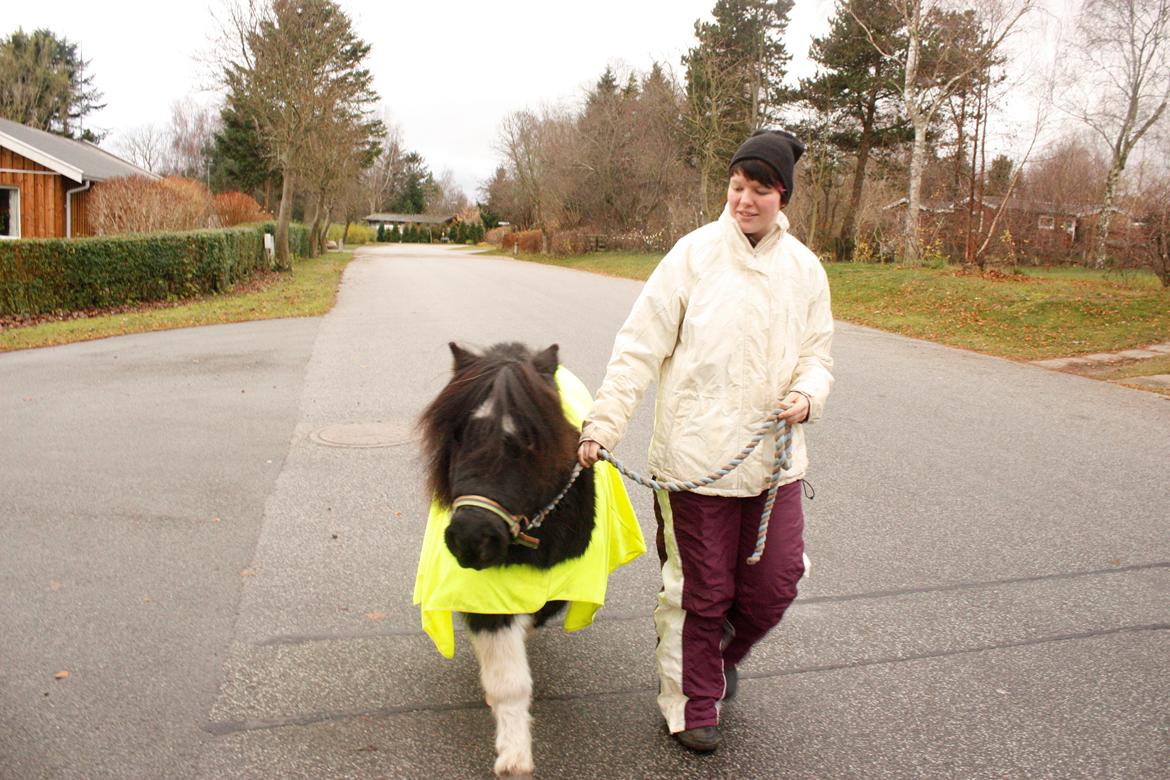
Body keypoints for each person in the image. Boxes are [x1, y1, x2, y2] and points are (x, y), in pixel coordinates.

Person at [577, 129, 834, 753]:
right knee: (702, 590)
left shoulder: (804, 269)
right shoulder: (690, 258)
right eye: (737, 187)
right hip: (695, 465)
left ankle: (714, 658)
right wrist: (603, 424)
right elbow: (638, 348)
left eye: (760, 190)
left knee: (775, 584)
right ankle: (691, 702)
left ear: (782, 196)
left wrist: (808, 396)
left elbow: (817, 356)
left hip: (775, 465)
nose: (744, 200)